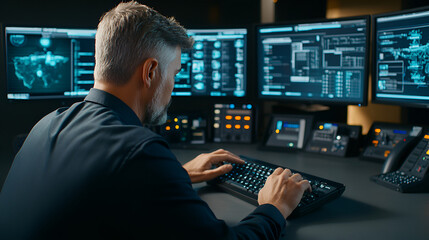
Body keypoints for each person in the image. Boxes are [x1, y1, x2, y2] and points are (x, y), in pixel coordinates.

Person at [0, 2, 311, 239]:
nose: (173, 86)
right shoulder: (141, 151)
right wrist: (275, 207)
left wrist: (175, 175)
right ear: (150, 72)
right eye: (174, 73)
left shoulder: (46, 125)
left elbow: (98, 188)